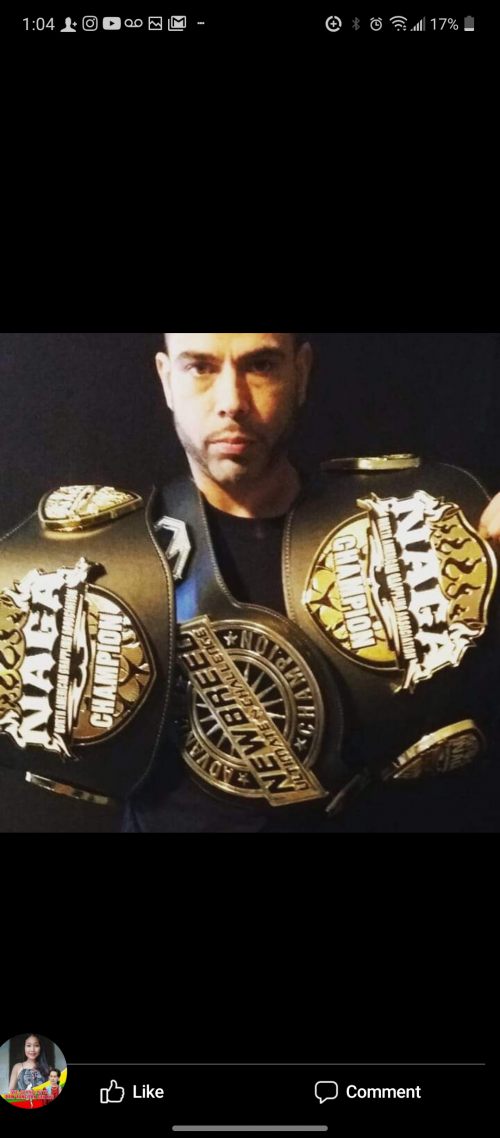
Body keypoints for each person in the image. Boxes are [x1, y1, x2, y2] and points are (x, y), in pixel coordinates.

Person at [121, 333, 500, 834]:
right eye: (201, 368)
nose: (232, 401)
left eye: (260, 365)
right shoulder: (116, 563)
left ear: (299, 374)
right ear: (167, 380)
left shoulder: (415, 530)